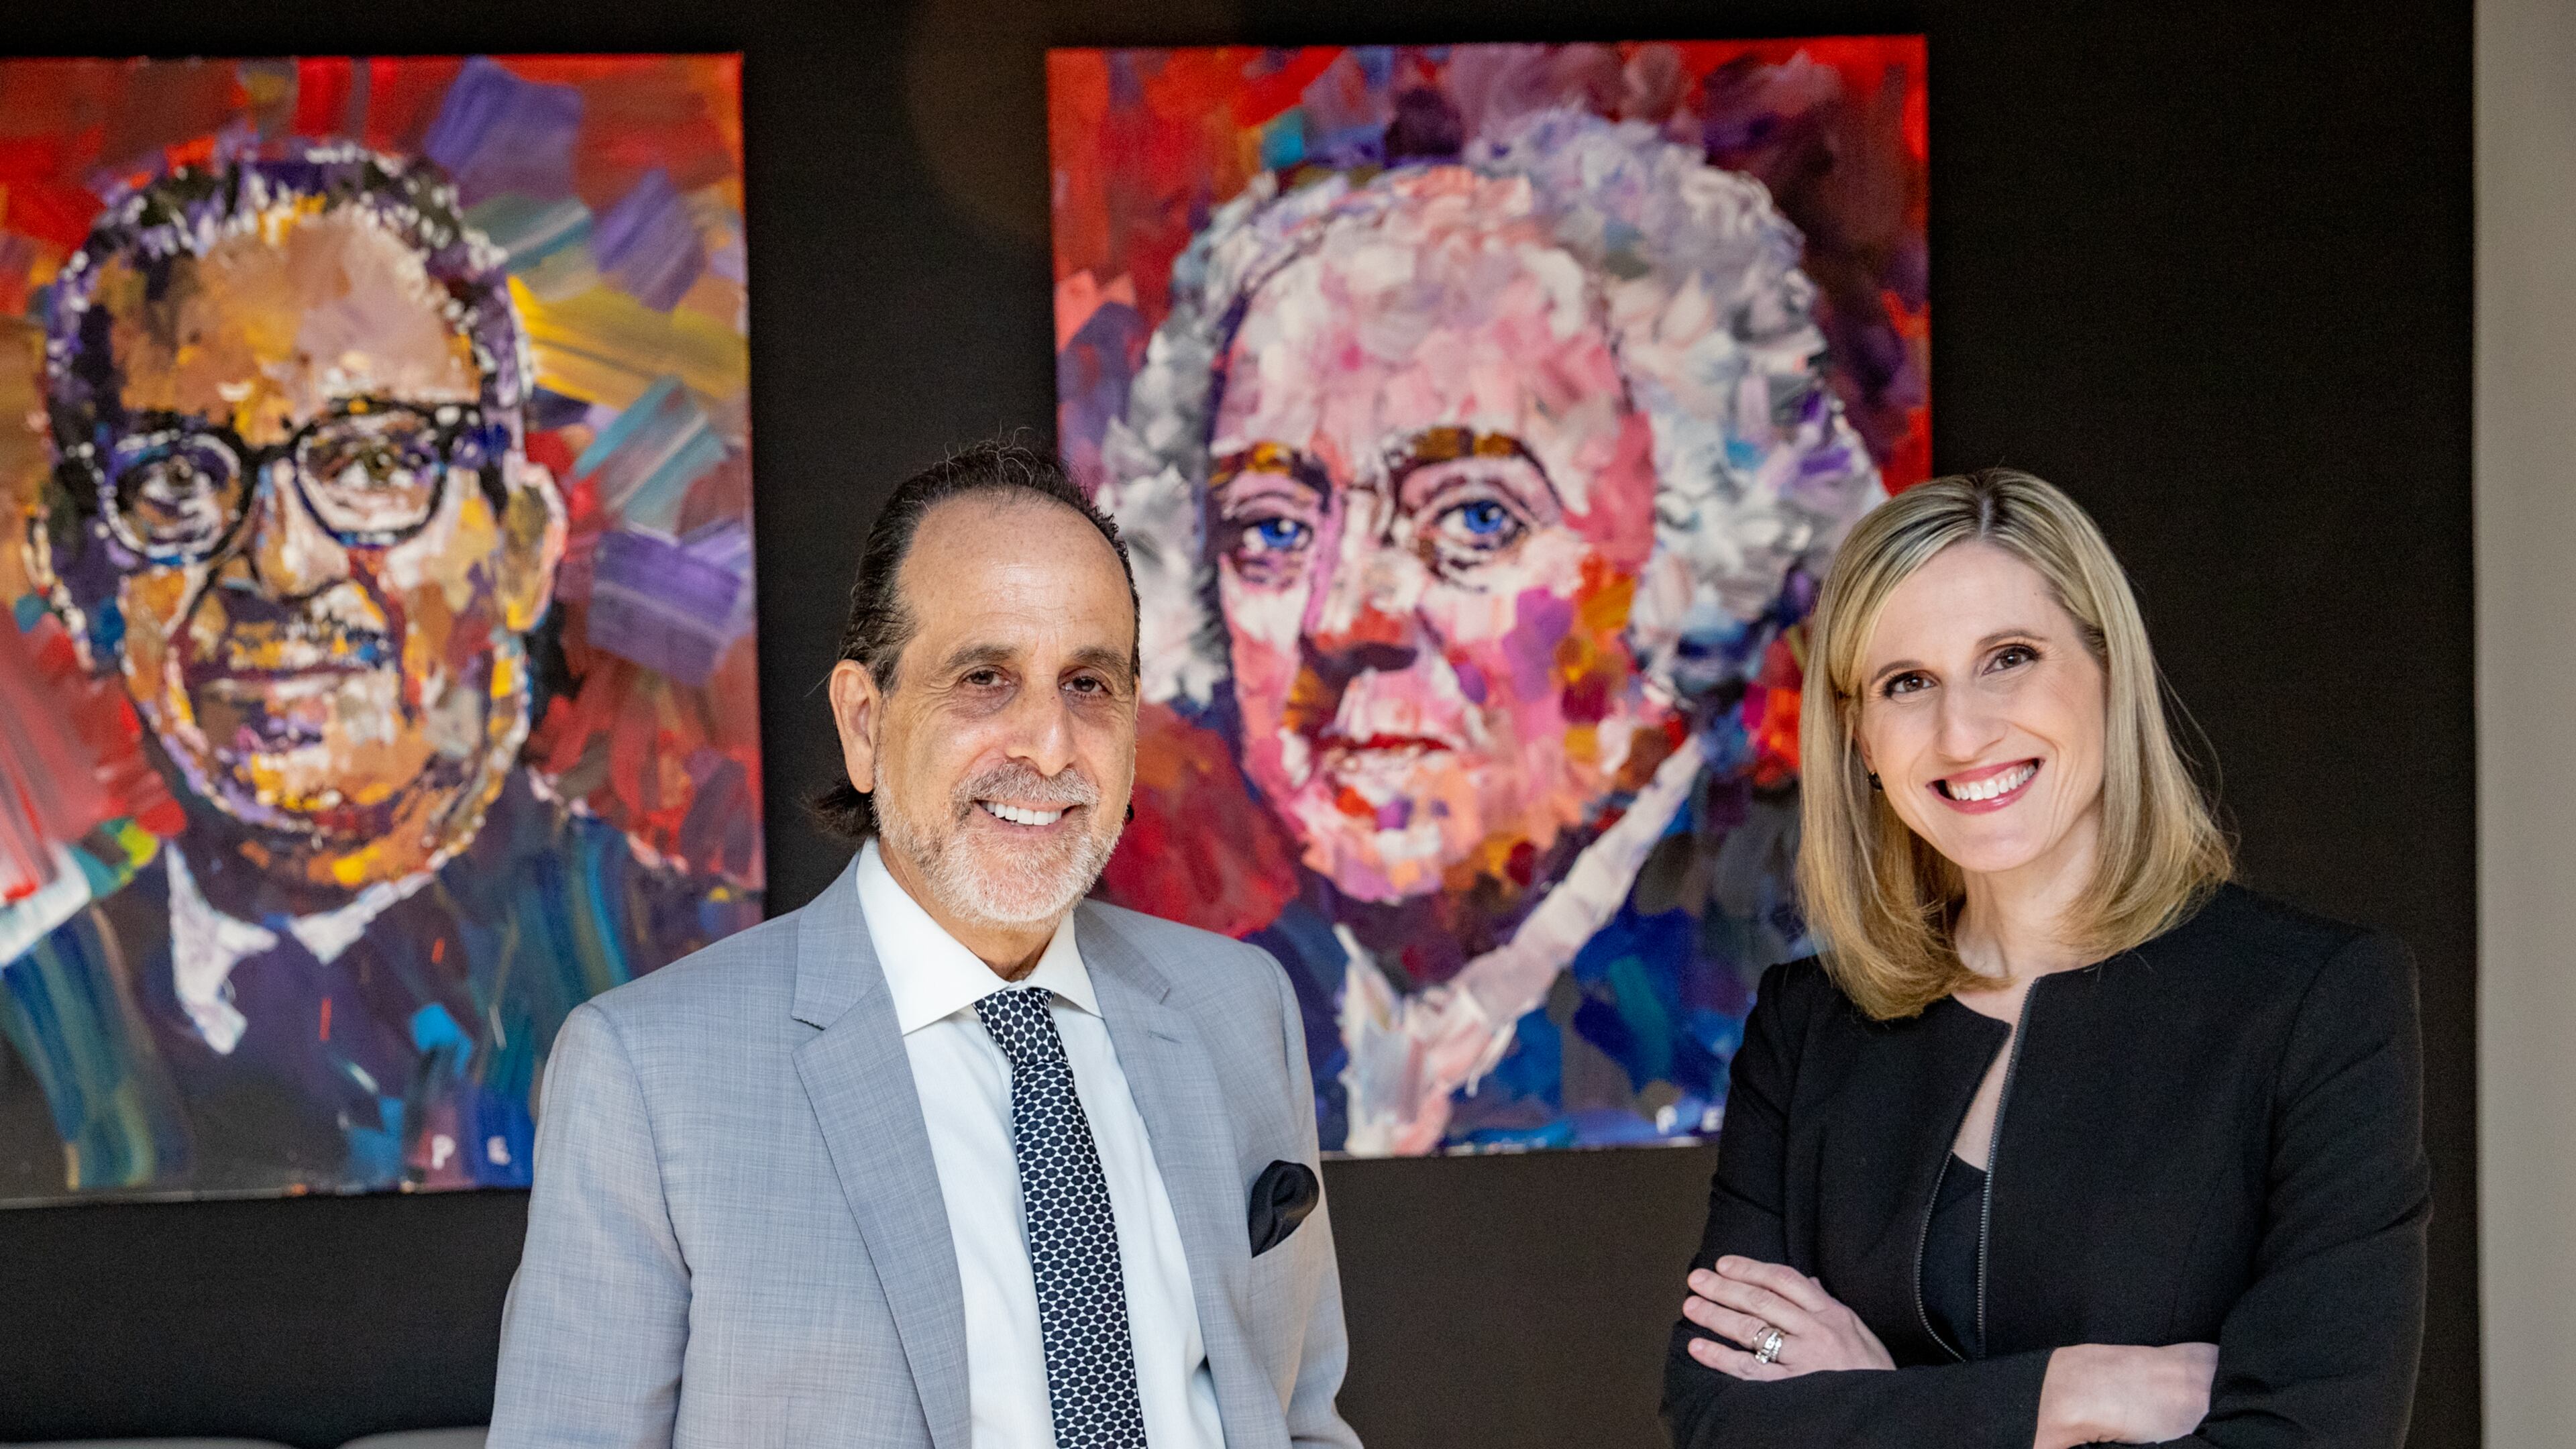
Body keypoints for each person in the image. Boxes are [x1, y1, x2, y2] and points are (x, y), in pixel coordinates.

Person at [491, 442, 1358, 1448]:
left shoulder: (1242, 1010)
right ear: (864, 723)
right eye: (985, 677)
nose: (1048, 744)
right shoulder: (648, 1078)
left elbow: (1301, 1418)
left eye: (1089, 684)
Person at [1093, 107, 1886, 1154]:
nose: (1342, 617)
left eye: (1474, 518)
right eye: (1274, 527)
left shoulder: (1817, 989)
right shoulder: (1207, 1016)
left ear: (1694, 552)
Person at [0, 147, 749, 1197]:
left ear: (524, 542)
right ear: (78, 576)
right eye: (177, 481)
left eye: (372, 464)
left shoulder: (708, 983)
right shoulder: (28, 1028)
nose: (283, 562)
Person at [1663, 470, 2428, 1447]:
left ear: (2110, 673)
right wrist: (2070, 1396)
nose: (1962, 730)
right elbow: (1720, 1411)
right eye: (1908, 683)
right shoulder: (1811, 1023)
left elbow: (2313, 1436)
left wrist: (1870, 1403)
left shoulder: (2317, 1003)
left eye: (2009, 658)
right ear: (1860, 735)